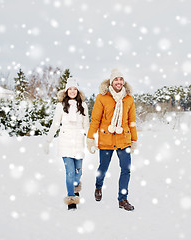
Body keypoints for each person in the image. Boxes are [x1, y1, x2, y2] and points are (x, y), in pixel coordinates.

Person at [86, 69, 137, 211]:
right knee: (103, 168)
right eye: (116, 79)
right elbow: (95, 120)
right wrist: (90, 138)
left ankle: (123, 199)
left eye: (121, 79)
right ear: (111, 81)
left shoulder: (129, 99)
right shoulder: (102, 97)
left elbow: (132, 121)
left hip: (123, 139)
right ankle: (98, 186)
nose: (119, 82)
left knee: (126, 169)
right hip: (106, 140)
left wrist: (134, 140)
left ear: (123, 81)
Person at [44, 78, 89, 210]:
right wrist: (48, 140)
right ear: (66, 91)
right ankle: (71, 199)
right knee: (69, 172)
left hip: (79, 142)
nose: (72, 91)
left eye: (75, 89)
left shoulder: (83, 106)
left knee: (78, 172)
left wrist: (91, 140)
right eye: (70, 89)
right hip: (65, 142)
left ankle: (75, 187)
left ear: (78, 91)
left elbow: (86, 125)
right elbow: (55, 124)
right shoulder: (60, 106)